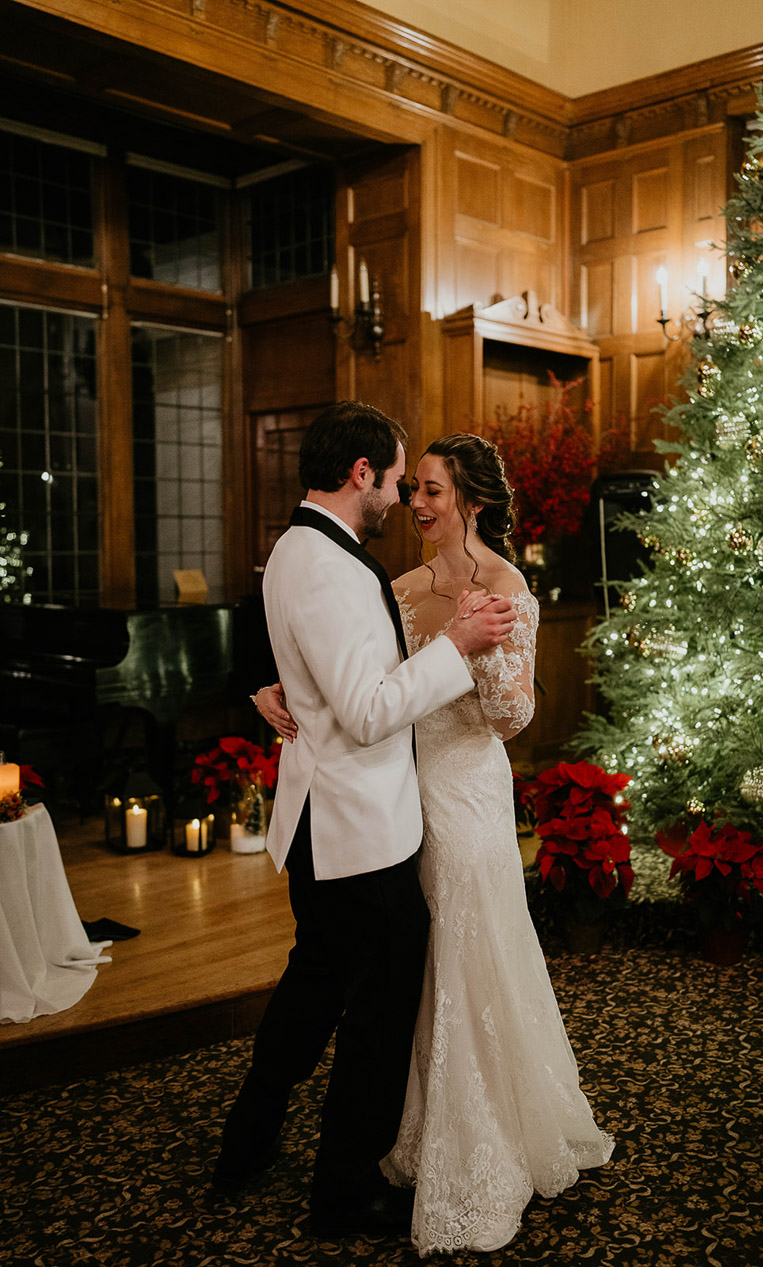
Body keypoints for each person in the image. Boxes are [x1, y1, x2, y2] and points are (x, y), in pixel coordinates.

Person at [256, 431, 614, 1256]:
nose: (416, 504)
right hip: (396, 789)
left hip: (468, 789)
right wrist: (276, 687)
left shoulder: (505, 583)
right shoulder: (396, 585)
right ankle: (405, 1123)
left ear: (472, 502)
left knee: (470, 948)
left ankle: (484, 1125)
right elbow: (358, 682)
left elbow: (512, 716)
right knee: (404, 967)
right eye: (410, 487)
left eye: (433, 492)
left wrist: (479, 653)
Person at [211, 402, 517, 1241]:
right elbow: (372, 709)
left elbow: (318, 666)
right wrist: (455, 647)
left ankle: (247, 1141)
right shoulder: (330, 566)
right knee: (376, 1014)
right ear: (361, 474)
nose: (398, 497)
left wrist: (278, 687)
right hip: (358, 828)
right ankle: (342, 1192)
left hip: (335, 816)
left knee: (311, 991)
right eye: (393, 479)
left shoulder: (298, 549)